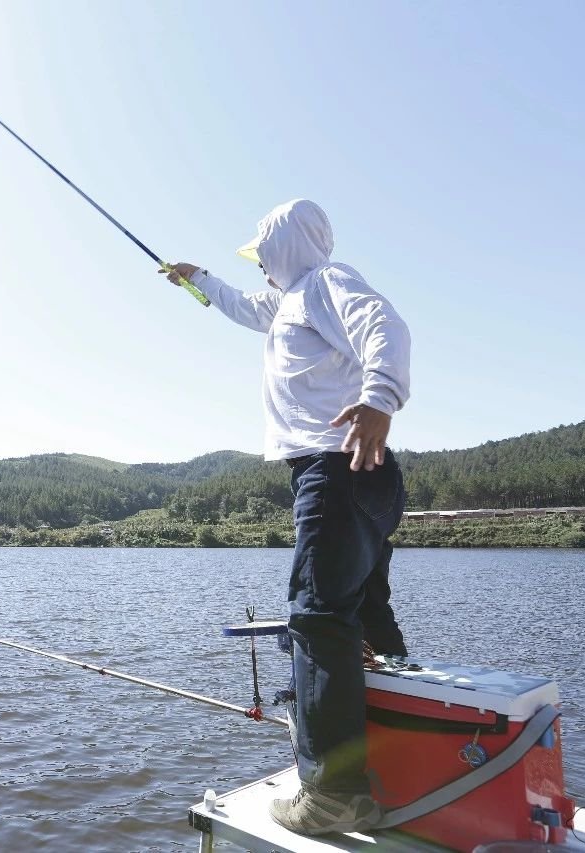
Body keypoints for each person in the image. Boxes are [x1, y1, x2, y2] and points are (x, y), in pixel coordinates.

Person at [161, 199, 411, 835]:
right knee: (363, 613)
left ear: (281, 247)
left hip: (337, 467)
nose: (262, 269)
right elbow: (244, 307)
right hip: (361, 474)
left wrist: (379, 398)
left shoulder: (327, 282)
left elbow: (384, 324)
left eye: (264, 255)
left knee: (319, 619)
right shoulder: (288, 302)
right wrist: (197, 278)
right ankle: (404, 745)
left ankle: (331, 794)